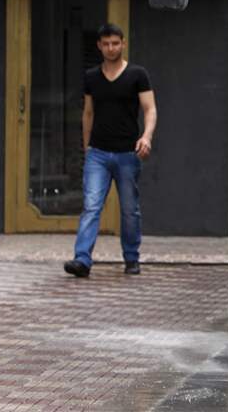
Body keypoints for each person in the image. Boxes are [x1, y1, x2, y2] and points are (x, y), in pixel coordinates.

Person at [64, 24, 157, 278]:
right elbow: (88, 113)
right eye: (106, 44)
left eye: (115, 43)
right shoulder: (92, 77)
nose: (111, 48)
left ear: (123, 44)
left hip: (128, 152)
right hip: (98, 154)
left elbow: (149, 109)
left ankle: (131, 258)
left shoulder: (138, 74)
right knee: (91, 205)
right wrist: (88, 148)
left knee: (129, 209)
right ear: (99, 46)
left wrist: (146, 137)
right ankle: (81, 260)